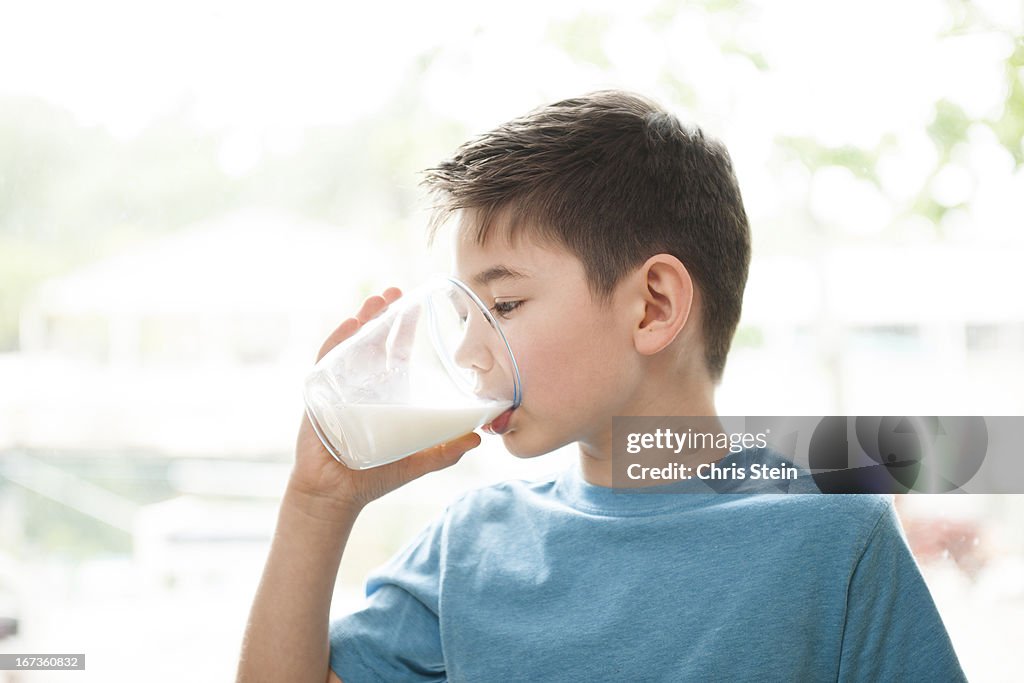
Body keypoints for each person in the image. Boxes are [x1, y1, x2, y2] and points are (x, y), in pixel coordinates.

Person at [236, 91, 966, 682]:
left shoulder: (834, 538)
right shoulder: (472, 548)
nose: (466, 348)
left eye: (506, 305)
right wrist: (317, 502)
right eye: (465, 311)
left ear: (653, 305)